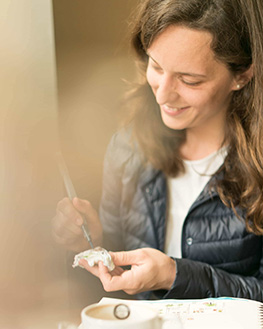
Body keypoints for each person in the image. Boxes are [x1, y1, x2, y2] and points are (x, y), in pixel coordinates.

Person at [52, 0, 263, 301]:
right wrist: (94, 242)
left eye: (189, 80)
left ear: (242, 75)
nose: (163, 94)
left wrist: (173, 275)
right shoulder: (127, 147)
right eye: (156, 66)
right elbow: (116, 282)